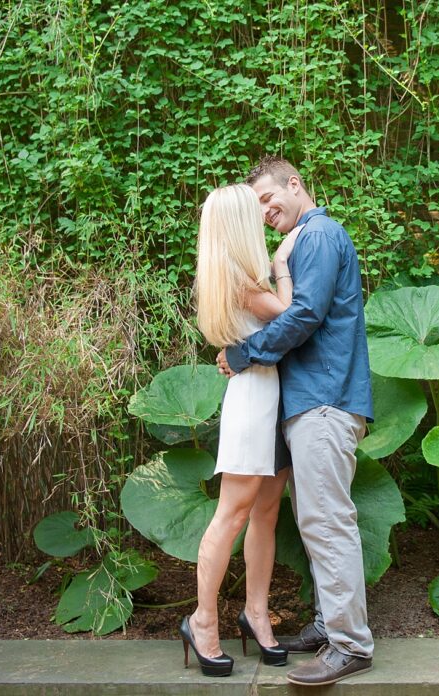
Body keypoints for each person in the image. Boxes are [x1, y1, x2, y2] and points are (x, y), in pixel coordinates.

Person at [216, 156, 375, 686]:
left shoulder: (319, 235)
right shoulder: (304, 239)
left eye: (268, 198)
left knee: (327, 521)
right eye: (256, 205)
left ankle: (350, 645)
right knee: (317, 521)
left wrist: (244, 353)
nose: (264, 211)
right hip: (313, 399)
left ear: (295, 184)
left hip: (326, 398)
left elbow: (303, 314)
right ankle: (333, 627)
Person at [179, 183, 300, 677]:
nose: (264, 216)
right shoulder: (239, 279)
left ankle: (255, 613)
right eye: (255, 212)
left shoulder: (238, 275)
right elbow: (296, 316)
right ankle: (202, 621)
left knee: (266, 513)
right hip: (253, 401)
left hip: (271, 397)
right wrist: (284, 263)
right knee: (231, 515)